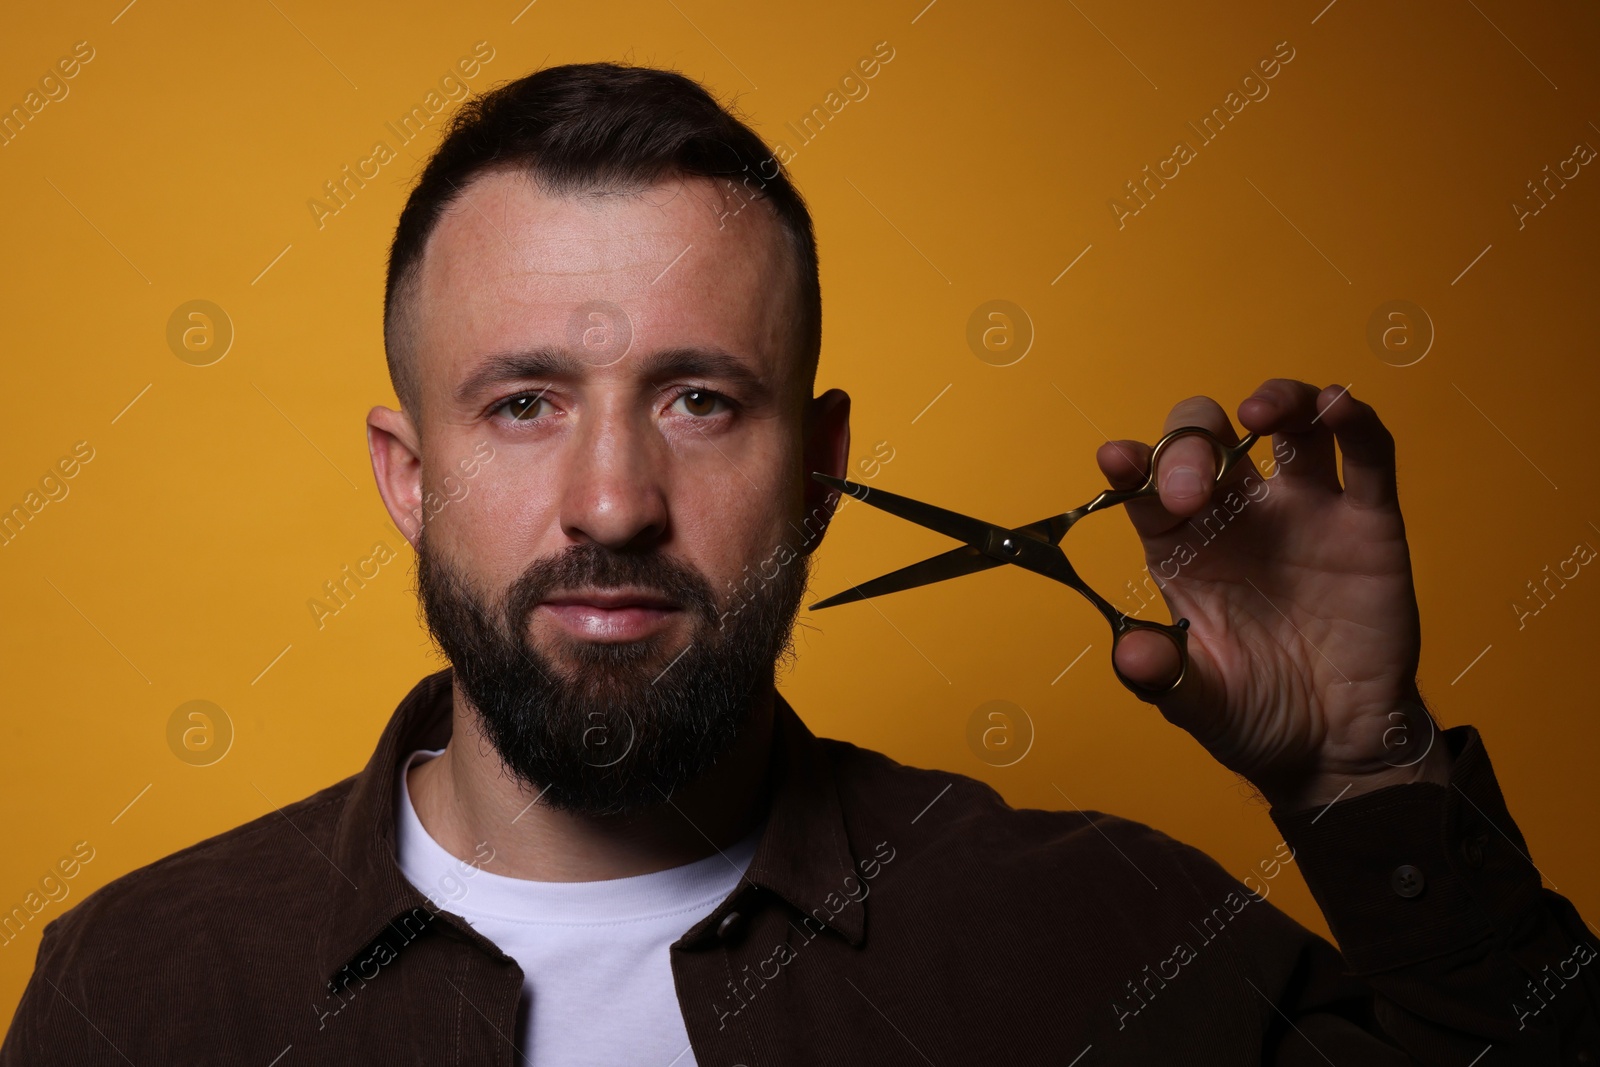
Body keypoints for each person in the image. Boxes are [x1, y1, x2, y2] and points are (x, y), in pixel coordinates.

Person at [2, 61, 1594, 1067]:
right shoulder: (143, 992)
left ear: (821, 473)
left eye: (702, 400)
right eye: (524, 401)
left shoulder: (1089, 942)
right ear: (411, 478)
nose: (613, 500)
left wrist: (1361, 773)